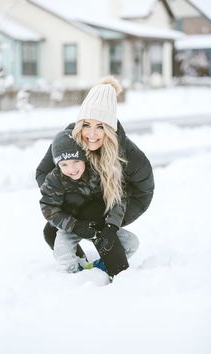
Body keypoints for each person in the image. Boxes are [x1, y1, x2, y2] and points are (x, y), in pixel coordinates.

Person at [36, 76, 154, 275]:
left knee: (95, 218)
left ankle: (116, 271)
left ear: (109, 128)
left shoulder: (126, 153)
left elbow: (142, 192)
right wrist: (64, 198)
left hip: (123, 200)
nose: (91, 133)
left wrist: (112, 224)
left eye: (100, 126)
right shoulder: (68, 140)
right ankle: (80, 264)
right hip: (82, 196)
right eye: (87, 124)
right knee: (51, 231)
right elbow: (43, 172)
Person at [39, 130, 136, 276]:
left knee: (131, 243)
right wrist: (74, 225)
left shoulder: (98, 172)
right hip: (71, 225)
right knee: (63, 254)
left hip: (98, 223)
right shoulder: (54, 180)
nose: (71, 169)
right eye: (64, 164)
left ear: (84, 157)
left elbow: (118, 198)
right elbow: (49, 208)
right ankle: (77, 275)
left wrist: (112, 225)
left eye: (76, 161)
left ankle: (101, 268)